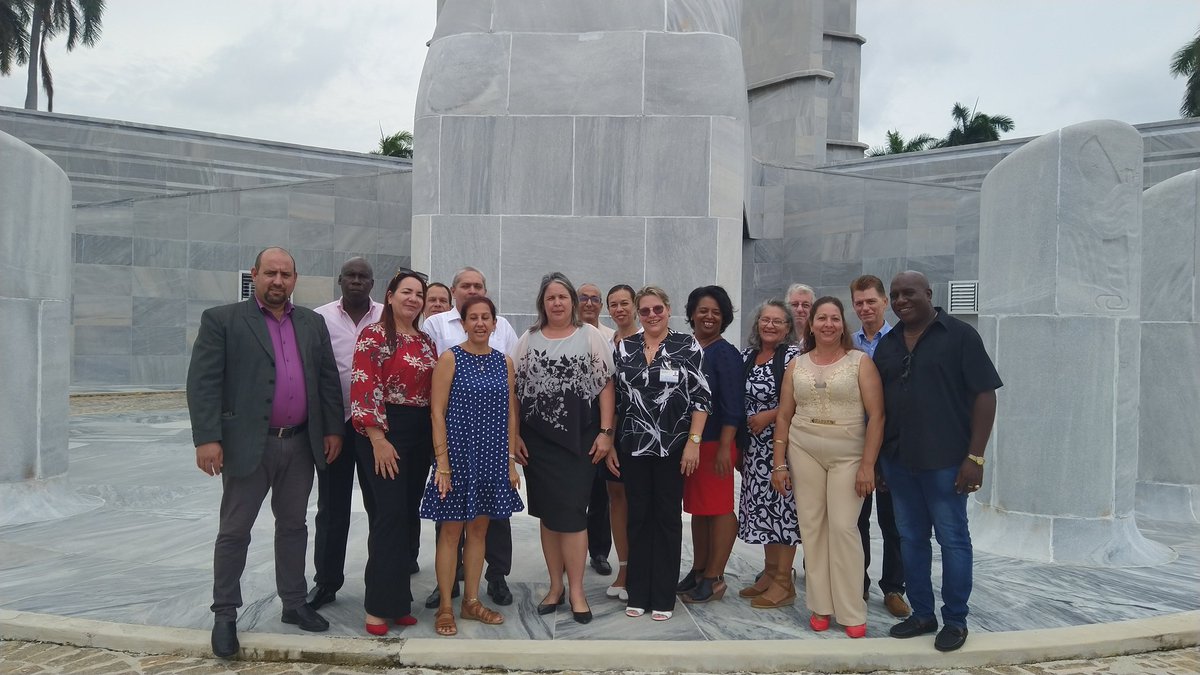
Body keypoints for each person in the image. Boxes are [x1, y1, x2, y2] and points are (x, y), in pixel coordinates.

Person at [187, 246, 342, 659]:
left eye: (286, 274)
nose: (278, 281)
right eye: (270, 273)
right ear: (254, 274)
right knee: (235, 531)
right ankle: (225, 613)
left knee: (293, 526)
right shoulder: (222, 320)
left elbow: (327, 380)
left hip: (300, 445)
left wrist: (331, 430)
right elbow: (203, 382)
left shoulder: (311, 323)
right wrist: (206, 438)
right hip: (246, 446)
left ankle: (294, 604)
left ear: (295, 279)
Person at [873, 271, 1002, 652]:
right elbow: (880, 409)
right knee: (911, 539)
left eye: (908, 293)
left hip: (947, 462)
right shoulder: (889, 344)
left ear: (929, 294)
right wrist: (880, 461)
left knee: (953, 540)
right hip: (899, 462)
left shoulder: (960, 336)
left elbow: (985, 395)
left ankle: (956, 620)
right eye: (894, 295)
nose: (900, 300)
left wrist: (975, 457)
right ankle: (923, 614)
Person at [773, 296, 884, 639]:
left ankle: (851, 608)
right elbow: (784, 414)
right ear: (811, 324)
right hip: (804, 448)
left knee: (843, 527)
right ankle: (821, 605)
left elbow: (877, 415)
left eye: (835, 318)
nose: (828, 325)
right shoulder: (798, 364)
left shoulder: (859, 362)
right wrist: (779, 463)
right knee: (812, 526)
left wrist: (868, 464)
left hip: (848, 453)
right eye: (822, 318)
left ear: (842, 323)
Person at [514, 272, 616, 625]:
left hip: (579, 440)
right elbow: (516, 391)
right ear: (542, 303)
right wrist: (515, 436)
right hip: (538, 443)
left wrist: (606, 432)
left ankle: (576, 590)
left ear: (572, 301)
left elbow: (605, 386)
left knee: (572, 515)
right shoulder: (527, 339)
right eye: (550, 297)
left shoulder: (591, 337)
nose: (557, 303)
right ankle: (555, 587)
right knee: (547, 514)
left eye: (562, 296)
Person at [422, 295, 524, 637]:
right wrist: (442, 465)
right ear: (463, 323)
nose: (480, 323)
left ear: (495, 324)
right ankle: (446, 607)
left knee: (479, 531)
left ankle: (471, 601)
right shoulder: (450, 358)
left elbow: (511, 413)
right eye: (473, 317)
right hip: (458, 457)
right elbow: (436, 412)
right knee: (451, 532)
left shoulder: (504, 362)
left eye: (486, 317)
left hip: (493, 458)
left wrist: (510, 463)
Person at [609, 286, 711, 621]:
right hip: (634, 445)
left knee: (666, 518)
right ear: (638, 314)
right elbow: (617, 398)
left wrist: (694, 442)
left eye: (658, 309)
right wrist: (609, 440)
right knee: (638, 517)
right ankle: (637, 593)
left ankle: (663, 595)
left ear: (668, 310)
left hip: (673, 447)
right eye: (646, 311)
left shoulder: (686, 344)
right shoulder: (625, 347)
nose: (652, 316)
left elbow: (701, 398)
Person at [349, 269, 437, 635]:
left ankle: (399, 602)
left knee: (407, 517)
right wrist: (378, 438)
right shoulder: (373, 335)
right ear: (390, 296)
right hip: (383, 432)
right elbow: (363, 385)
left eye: (419, 294)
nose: (413, 299)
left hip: (419, 434)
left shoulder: (427, 340)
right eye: (407, 292)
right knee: (387, 516)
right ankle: (377, 607)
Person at [308, 258, 386, 611]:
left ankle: (384, 581)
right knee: (332, 507)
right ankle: (326, 582)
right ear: (339, 280)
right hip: (335, 426)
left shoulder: (387, 316)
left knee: (381, 507)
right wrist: (324, 425)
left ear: (372, 283)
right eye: (350, 276)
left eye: (363, 277)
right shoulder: (319, 317)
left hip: (376, 426)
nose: (356, 281)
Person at [849, 274, 910, 619]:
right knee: (856, 518)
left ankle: (894, 588)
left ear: (884, 302)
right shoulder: (850, 343)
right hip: (855, 442)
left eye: (871, 301)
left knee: (893, 521)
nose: (865, 307)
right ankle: (858, 581)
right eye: (859, 302)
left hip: (893, 445)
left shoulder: (902, 340)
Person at [677, 285, 743, 604]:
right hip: (693, 443)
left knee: (719, 510)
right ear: (691, 313)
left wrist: (723, 449)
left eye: (716, 312)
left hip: (717, 443)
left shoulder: (725, 354)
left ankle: (715, 578)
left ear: (724, 317)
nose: (709, 316)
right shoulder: (688, 348)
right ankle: (699, 569)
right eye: (703, 310)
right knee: (700, 511)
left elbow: (733, 406)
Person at [736, 300, 802, 609]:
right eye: (765, 320)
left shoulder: (793, 357)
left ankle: (784, 583)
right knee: (763, 512)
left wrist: (768, 416)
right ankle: (770, 573)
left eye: (778, 321)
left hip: (780, 448)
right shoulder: (747, 356)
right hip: (753, 451)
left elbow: (800, 399)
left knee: (783, 513)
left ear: (788, 327)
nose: (770, 325)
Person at [601, 283, 639, 602]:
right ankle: (623, 568)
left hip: (641, 433)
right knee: (616, 497)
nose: (619, 309)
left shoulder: (646, 342)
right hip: (612, 431)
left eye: (624, 303)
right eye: (613, 304)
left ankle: (640, 569)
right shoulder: (605, 341)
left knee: (638, 500)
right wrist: (608, 438)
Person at [578, 282, 615, 576]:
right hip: (572, 424)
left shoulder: (610, 338)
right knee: (573, 493)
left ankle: (600, 551)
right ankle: (570, 550)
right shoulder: (565, 334)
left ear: (601, 305)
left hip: (601, 423)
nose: (589, 303)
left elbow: (610, 386)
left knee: (600, 494)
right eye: (583, 298)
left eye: (594, 299)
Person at [787, 283, 815, 348]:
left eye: (805, 305)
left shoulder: (818, 339)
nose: (800, 310)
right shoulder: (779, 338)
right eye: (794, 304)